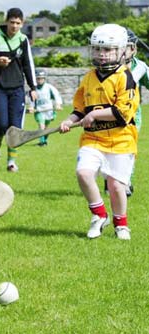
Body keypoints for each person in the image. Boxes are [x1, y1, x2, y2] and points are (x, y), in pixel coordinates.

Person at [59, 24, 139, 240]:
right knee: (83, 173)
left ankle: (121, 224)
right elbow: (79, 109)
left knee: (115, 185)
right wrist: (69, 120)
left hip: (121, 140)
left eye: (108, 50)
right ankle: (99, 214)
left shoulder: (126, 77)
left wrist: (94, 116)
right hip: (92, 139)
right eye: (97, 49)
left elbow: (123, 113)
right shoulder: (88, 78)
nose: (102, 55)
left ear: (122, 50)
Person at [0, 7, 37, 172]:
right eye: (12, 22)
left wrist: (33, 87)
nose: (14, 26)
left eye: (18, 23)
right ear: (6, 22)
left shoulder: (23, 40)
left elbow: (28, 64)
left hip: (17, 89)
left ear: (22, 23)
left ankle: (11, 162)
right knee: (1, 125)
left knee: (14, 127)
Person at [104, 28, 149, 196]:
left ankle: (126, 181)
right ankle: (111, 180)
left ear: (134, 48)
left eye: (128, 46)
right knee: (109, 150)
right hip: (109, 114)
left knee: (128, 150)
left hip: (132, 117)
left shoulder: (141, 67)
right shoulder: (109, 66)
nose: (125, 51)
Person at [28, 69, 62, 146]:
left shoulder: (49, 87)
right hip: (39, 110)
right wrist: (31, 107)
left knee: (46, 128)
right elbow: (32, 100)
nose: (39, 80)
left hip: (48, 110)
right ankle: (42, 142)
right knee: (41, 125)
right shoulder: (34, 89)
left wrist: (58, 104)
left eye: (41, 78)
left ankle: (45, 140)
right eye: (38, 79)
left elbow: (57, 96)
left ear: (44, 79)